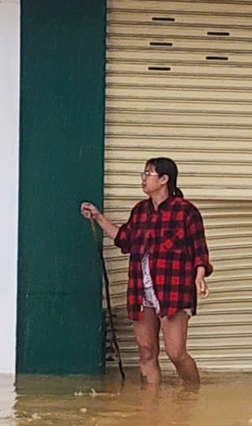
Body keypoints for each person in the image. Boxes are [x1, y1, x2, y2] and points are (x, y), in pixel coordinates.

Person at [81, 158, 211, 386]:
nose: (143, 178)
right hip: (141, 291)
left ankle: (192, 395)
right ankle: (149, 410)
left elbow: (199, 249)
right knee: (146, 352)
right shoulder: (140, 211)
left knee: (176, 353)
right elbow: (124, 239)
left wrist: (200, 275)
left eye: (148, 173)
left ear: (164, 179)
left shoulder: (186, 212)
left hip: (173, 291)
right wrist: (98, 217)